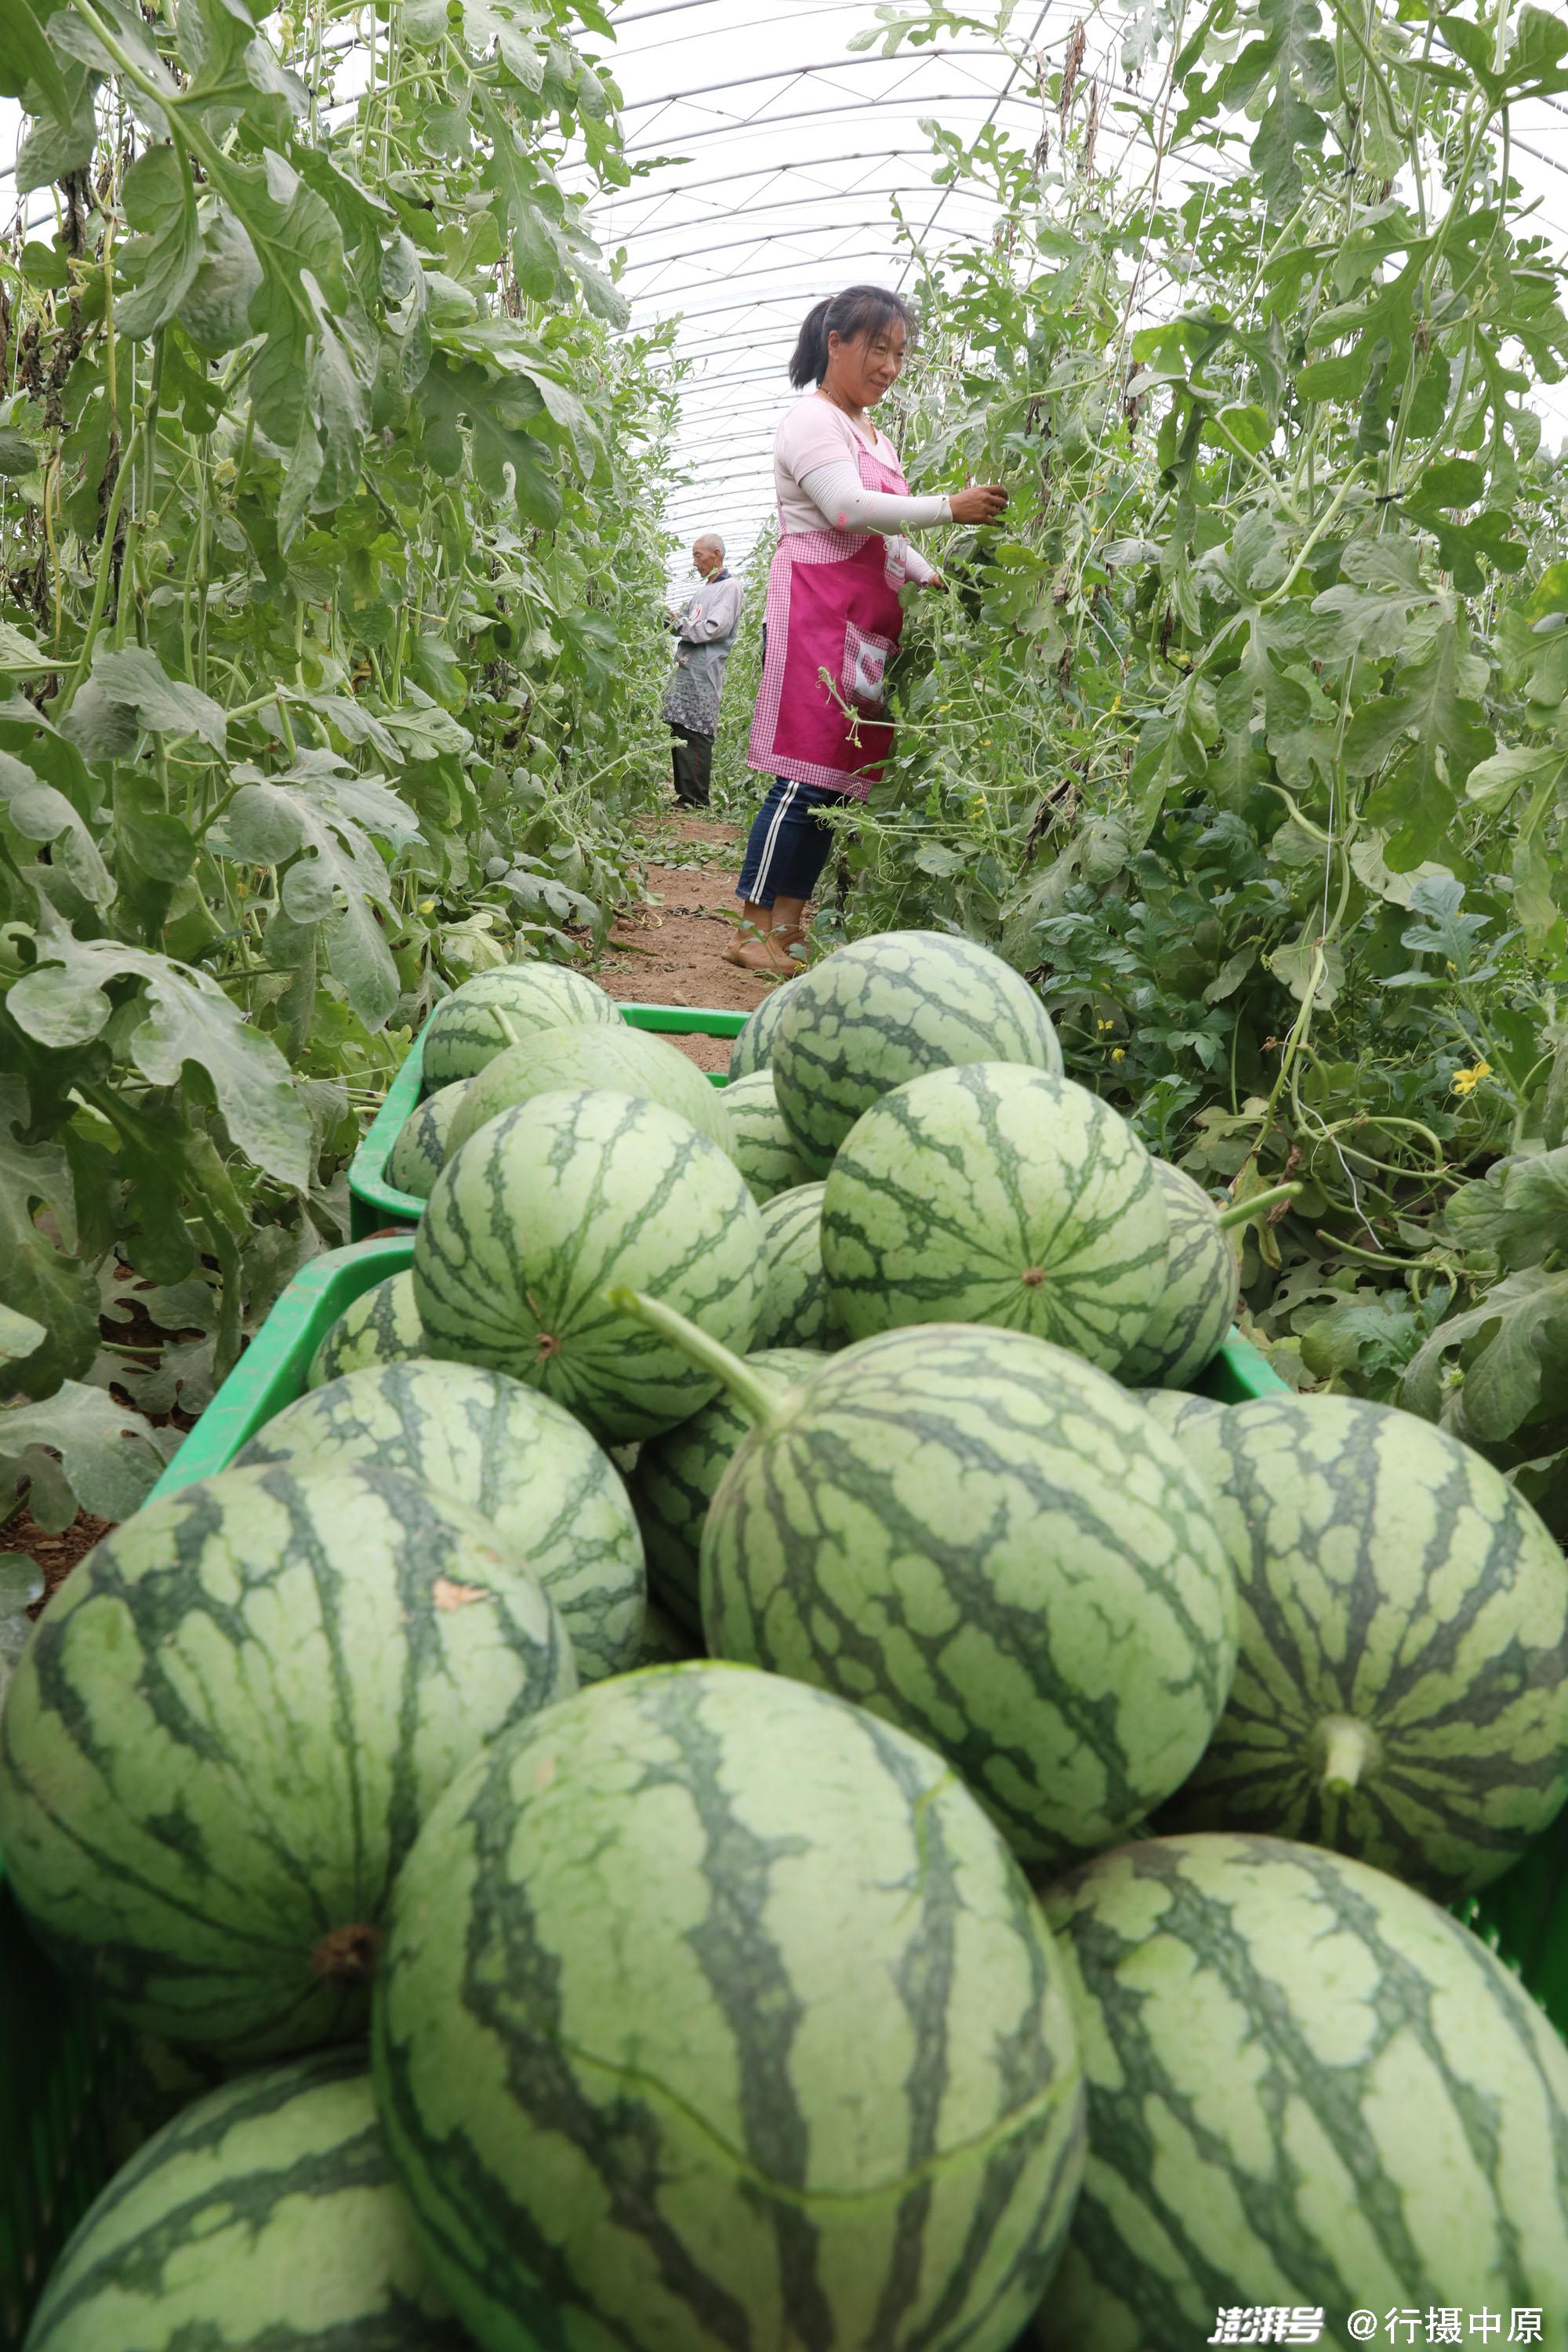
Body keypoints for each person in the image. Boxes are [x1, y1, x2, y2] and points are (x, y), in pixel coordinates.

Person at [728, 285, 1007, 972]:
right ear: (836, 344)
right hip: (818, 615)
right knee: (800, 775)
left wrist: (929, 574)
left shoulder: (871, 434)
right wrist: (950, 507)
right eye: (877, 349)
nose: (889, 366)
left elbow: (885, 533)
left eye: (899, 354)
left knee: (835, 784)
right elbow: (849, 510)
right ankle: (750, 930)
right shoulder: (812, 420)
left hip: (863, 627)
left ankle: (787, 932)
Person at [662, 533, 742, 808]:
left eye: (698, 555)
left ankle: (697, 799)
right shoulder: (702, 589)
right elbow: (685, 619)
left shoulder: (729, 587)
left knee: (696, 732)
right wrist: (667, 617)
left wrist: (681, 626)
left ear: (716, 554)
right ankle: (685, 796)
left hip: (704, 671)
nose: (694, 562)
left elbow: (714, 628)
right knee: (681, 728)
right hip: (687, 670)